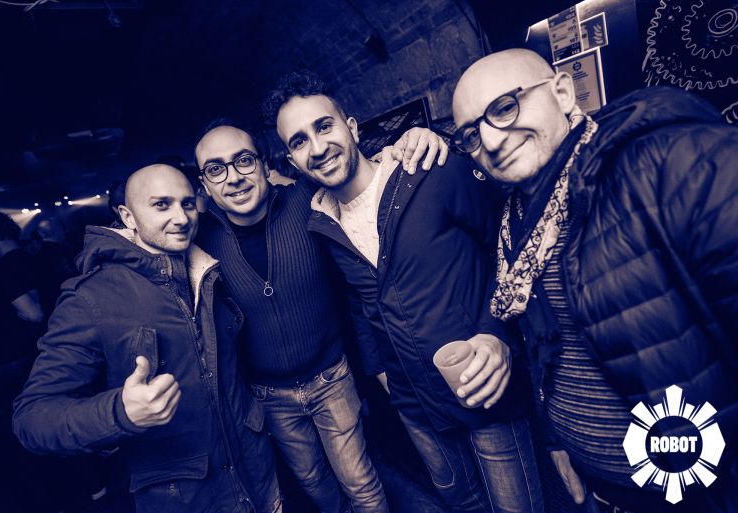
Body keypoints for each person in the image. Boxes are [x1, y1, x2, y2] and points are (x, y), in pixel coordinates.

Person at [451, 48, 738, 513]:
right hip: (603, 488)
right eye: (470, 133)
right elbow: (547, 348)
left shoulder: (669, 161)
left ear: (563, 93)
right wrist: (559, 441)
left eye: (505, 107)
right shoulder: (515, 221)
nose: (491, 139)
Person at [264, 70, 544, 513]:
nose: (317, 148)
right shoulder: (319, 221)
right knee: (461, 502)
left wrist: (498, 334)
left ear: (351, 128)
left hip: (484, 388)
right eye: (299, 141)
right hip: (416, 407)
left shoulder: (429, 171)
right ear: (292, 161)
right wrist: (381, 372)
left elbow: (507, 246)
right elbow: (360, 302)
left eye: (324, 126)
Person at [194, 117, 447, 513]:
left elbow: (353, 165)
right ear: (205, 185)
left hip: (332, 378)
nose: (234, 177)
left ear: (265, 163)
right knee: (313, 481)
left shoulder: (305, 198)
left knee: (359, 479)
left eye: (243, 160)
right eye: (216, 169)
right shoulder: (198, 240)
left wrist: (410, 139)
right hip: (270, 396)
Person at [13, 164, 281, 513]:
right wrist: (120, 412)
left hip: (258, 474)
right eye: (161, 205)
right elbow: (31, 418)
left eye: (187, 203)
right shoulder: (91, 298)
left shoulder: (208, 268)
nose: (181, 218)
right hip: (187, 498)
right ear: (128, 216)